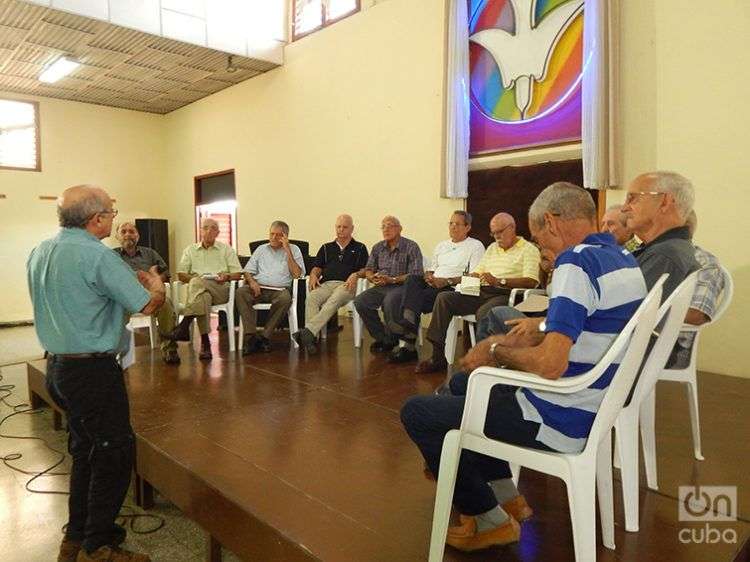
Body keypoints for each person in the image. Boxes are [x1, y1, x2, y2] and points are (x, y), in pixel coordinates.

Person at [400, 182, 647, 552]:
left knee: (419, 413)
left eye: (538, 237)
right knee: (467, 384)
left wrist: (497, 351)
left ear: (552, 221)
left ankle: (488, 518)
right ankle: (508, 497)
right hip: (594, 405)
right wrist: (537, 328)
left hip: (558, 416)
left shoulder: (575, 262)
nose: (542, 249)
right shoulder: (623, 259)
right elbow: (586, 321)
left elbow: (549, 364)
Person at [27, 185, 164, 562]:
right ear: (96, 219)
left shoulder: (41, 251)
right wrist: (157, 285)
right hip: (92, 371)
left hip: (58, 367)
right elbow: (148, 306)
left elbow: (79, 298)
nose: (115, 218)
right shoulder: (97, 256)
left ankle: (75, 539)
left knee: (87, 450)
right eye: (111, 212)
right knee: (115, 453)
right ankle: (98, 546)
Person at [415, 212, 540, 374]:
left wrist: (500, 281)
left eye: (500, 232)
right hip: (481, 291)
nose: (497, 236)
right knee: (445, 298)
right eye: (493, 233)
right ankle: (438, 356)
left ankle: (485, 362)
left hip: (505, 294)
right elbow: (477, 273)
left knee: (484, 312)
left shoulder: (528, 249)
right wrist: (451, 281)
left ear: (512, 228)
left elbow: (532, 281)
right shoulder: (492, 248)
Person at [388, 211, 484, 364]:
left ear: (468, 227)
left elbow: (474, 276)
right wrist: (429, 276)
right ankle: (410, 324)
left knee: (412, 300)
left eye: (457, 224)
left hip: (452, 289)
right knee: (412, 279)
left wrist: (447, 281)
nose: (453, 227)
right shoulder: (442, 245)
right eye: (451, 223)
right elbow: (432, 269)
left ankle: (408, 340)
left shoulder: (475, 246)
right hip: (433, 285)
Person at [168, 218, 243, 360]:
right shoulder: (190, 250)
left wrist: (226, 276)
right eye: (206, 227)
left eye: (213, 228)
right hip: (201, 292)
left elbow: (238, 274)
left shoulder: (226, 250)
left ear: (218, 232)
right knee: (203, 298)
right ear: (201, 230)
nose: (209, 230)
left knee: (198, 284)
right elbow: (181, 274)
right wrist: (198, 281)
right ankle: (205, 344)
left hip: (220, 289)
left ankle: (184, 325)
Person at [293, 214, 368, 354]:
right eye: (338, 227)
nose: (341, 230)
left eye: (344, 227)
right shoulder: (326, 248)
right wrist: (314, 274)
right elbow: (317, 267)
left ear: (352, 229)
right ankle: (310, 338)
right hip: (327, 284)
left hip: (347, 285)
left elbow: (366, 270)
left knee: (335, 298)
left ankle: (308, 334)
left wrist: (356, 274)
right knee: (312, 298)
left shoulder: (360, 248)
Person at [622, 171, 699, 300]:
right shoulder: (661, 249)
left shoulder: (665, 255)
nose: (623, 208)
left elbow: (619, 313)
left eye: (633, 198)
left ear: (664, 202)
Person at [353, 215, 424, 353]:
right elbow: (369, 269)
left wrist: (392, 280)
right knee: (360, 301)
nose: (386, 229)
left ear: (400, 229)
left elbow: (416, 274)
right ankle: (383, 337)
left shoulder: (411, 247)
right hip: (381, 285)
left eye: (390, 226)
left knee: (390, 300)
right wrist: (372, 277)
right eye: (383, 226)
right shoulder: (378, 247)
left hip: (402, 286)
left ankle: (398, 337)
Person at [114, 221, 180, 365]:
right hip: (123, 298)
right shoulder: (111, 255)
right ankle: (115, 353)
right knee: (112, 310)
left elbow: (165, 273)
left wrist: (154, 280)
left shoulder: (150, 253)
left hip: (149, 295)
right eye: (123, 232)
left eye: (131, 231)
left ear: (137, 235)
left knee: (166, 304)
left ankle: (169, 348)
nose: (127, 235)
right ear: (117, 236)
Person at [236, 220, 305, 354]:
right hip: (258, 287)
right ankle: (250, 337)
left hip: (279, 290)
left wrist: (287, 251)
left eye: (278, 235)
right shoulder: (261, 249)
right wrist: (252, 282)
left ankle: (264, 336)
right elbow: (247, 271)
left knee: (285, 299)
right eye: (271, 234)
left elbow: (297, 275)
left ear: (285, 236)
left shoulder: (294, 249)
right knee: (240, 292)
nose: (273, 237)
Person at [667, 210, 725, 368]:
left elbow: (697, 315)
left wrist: (647, 313)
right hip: (640, 334)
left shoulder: (704, 262)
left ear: (683, 228)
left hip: (671, 346)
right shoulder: (648, 253)